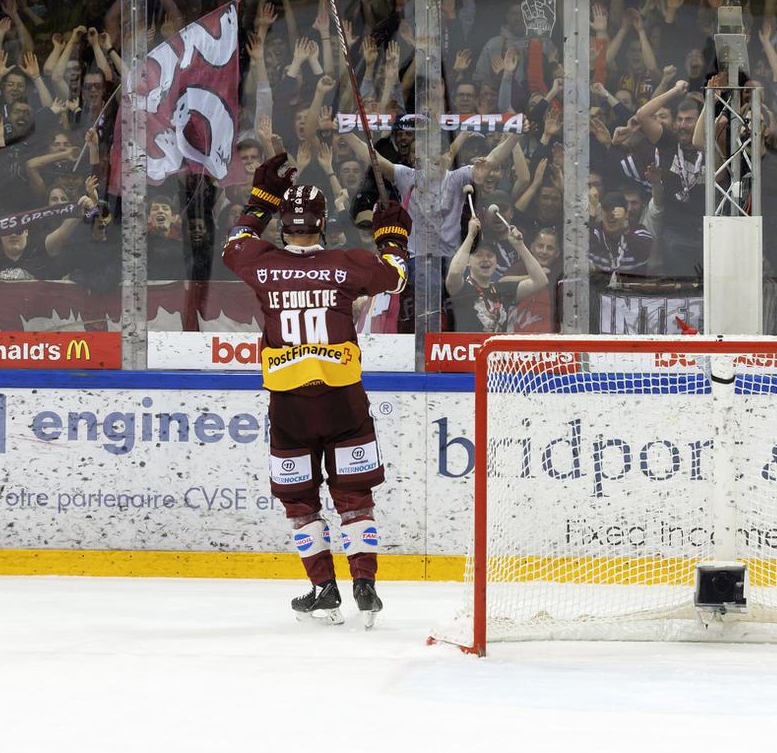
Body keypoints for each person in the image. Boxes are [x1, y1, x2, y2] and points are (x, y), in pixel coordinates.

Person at [222, 153, 412, 627]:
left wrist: (260, 200)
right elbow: (396, 276)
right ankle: (364, 582)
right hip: (343, 400)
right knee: (354, 495)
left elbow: (234, 244)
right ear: (324, 223)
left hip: (290, 405)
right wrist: (392, 235)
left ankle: (323, 587)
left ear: (283, 224)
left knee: (299, 499)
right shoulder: (347, 263)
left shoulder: (260, 264)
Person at [446, 216, 548, 333]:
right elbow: (454, 273)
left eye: (490, 255)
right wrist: (470, 236)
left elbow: (540, 281)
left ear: (496, 262)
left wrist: (519, 245)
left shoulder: (502, 290)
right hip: (467, 349)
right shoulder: (461, 288)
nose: (485, 259)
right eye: (479, 255)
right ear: (468, 262)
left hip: (496, 350)